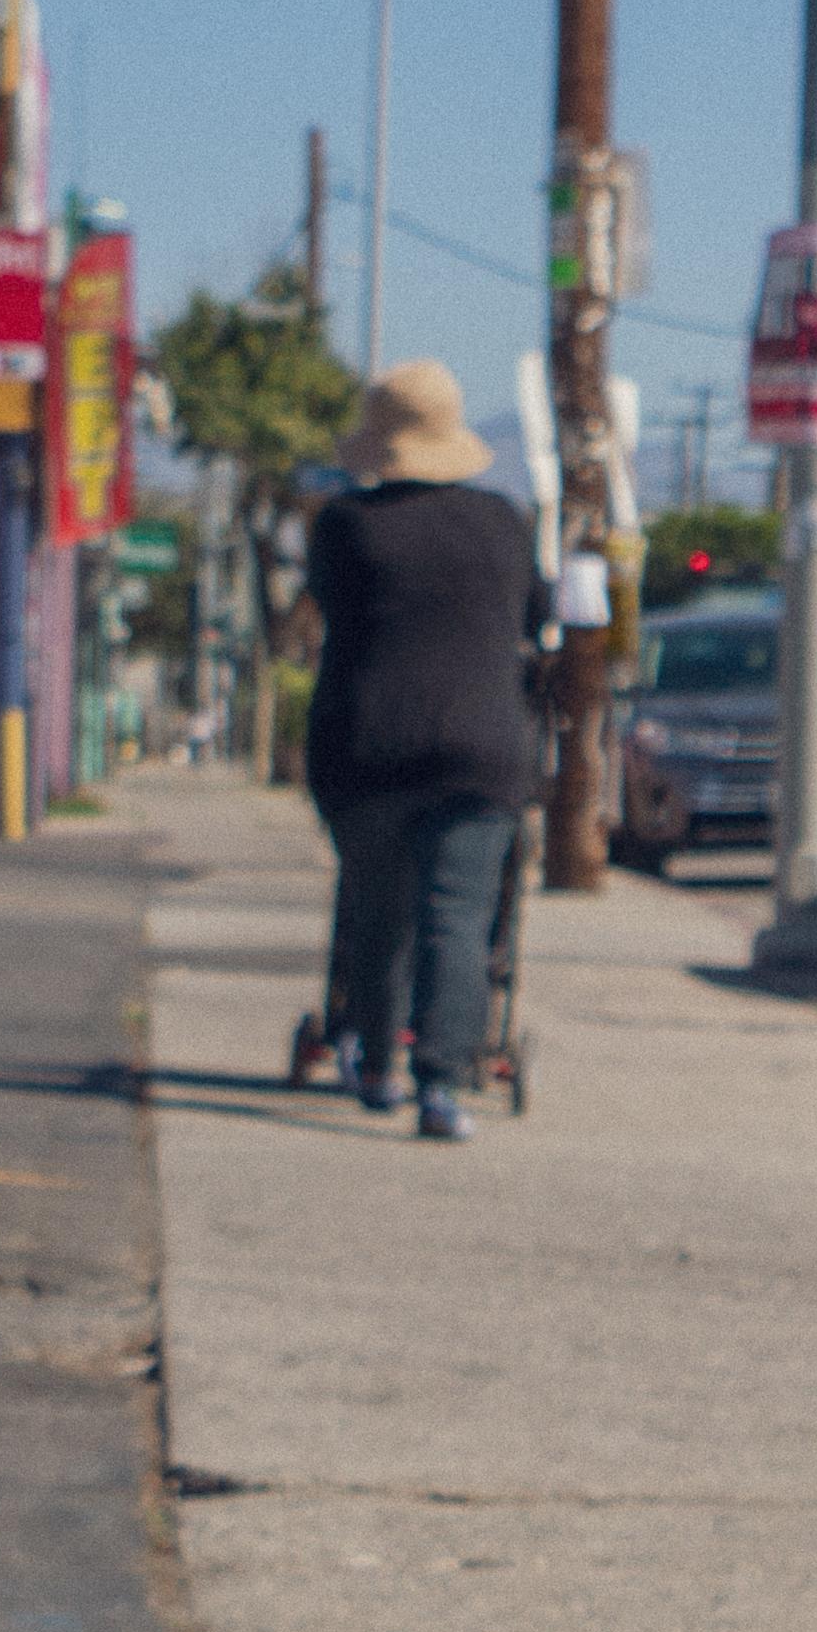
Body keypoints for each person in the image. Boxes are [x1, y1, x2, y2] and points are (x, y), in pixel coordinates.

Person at [298, 365, 543, 1144]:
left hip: (370, 742)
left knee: (378, 916)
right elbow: (534, 615)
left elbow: (335, 613)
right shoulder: (504, 522)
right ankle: (442, 1087)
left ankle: (378, 1069)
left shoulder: (344, 526)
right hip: (482, 746)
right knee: (459, 920)